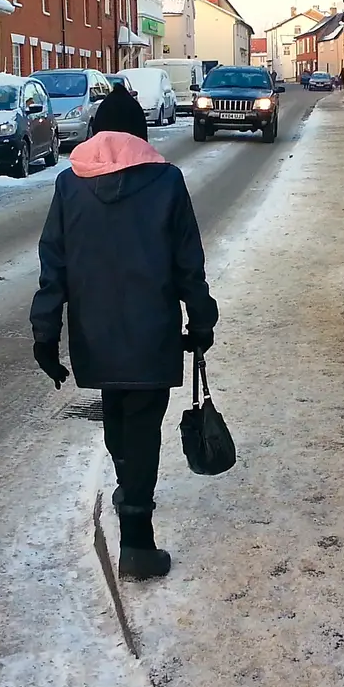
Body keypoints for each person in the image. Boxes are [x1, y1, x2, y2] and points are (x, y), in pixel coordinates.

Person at [30, 83, 218, 579]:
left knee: (119, 416)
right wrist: (202, 319)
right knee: (142, 428)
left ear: (94, 132)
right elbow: (188, 264)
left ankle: (128, 494)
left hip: (95, 333)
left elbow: (55, 265)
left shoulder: (70, 185)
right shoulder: (167, 182)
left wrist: (45, 334)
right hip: (151, 331)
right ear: (140, 132)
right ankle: (137, 539)